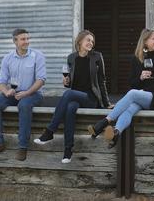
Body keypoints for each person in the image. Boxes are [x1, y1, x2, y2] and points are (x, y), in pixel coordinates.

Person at [33, 30, 111, 163]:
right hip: (75, 96)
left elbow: (102, 81)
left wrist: (107, 103)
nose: (91, 43)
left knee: (68, 95)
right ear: (80, 41)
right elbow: (70, 84)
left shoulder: (97, 57)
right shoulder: (71, 58)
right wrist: (66, 82)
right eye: (88, 40)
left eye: (92, 41)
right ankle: (68, 150)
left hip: (91, 98)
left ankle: (50, 131)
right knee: (70, 108)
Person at [88, 29, 154, 148]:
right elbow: (132, 83)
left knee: (132, 94)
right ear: (145, 41)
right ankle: (116, 133)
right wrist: (140, 78)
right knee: (129, 109)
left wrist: (143, 91)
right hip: (141, 97)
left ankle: (103, 122)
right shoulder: (137, 59)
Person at [0, 28, 46, 162]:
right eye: (23, 39)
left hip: (33, 93)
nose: (27, 42)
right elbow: (1, 82)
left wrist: (27, 93)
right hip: (14, 93)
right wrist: (6, 91)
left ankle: (23, 146)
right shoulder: (7, 58)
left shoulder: (37, 56)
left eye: (27, 39)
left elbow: (41, 80)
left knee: (24, 105)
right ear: (15, 41)